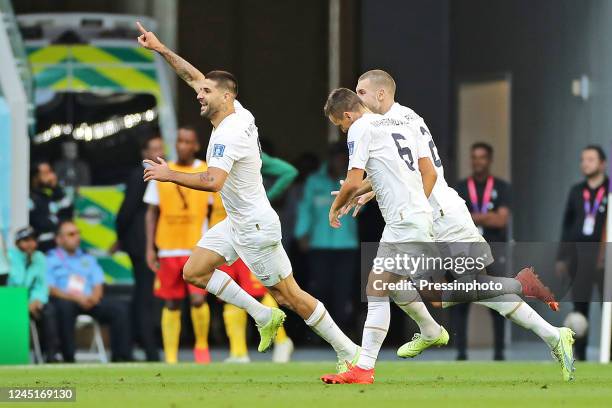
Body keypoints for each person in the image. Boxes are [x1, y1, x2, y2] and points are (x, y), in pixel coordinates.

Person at [136, 22, 359, 373]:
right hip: (238, 222)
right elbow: (194, 76)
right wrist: (161, 49)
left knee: (291, 296)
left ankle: (350, 351)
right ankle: (262, 315)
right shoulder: (237, 109)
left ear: (225, 96)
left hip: (255, 226)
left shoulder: (229, 134)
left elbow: (212, 182)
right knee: (193, 272)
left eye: (206, 91)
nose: (199, 93)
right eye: (201, 90)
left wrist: (168, 175)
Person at [321, 86, 574, 384]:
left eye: (363, 89)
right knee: (386, 285)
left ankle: (520, 289)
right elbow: (405, 171)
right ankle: (407, 344)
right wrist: (373, 193)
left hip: (443, 215)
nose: (360, 95)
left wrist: (403, 205)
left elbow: (415, 176)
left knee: (451, 292)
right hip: (420, 216)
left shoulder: (380, 123)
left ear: (380, 93)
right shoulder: (398, 121)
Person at [144, 126, 213, 364]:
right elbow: (151, 212)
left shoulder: (207, 170)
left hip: (198, 246)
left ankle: (201, 348)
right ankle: (171, 357)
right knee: (171, 301)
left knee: (198, 299)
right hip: (168, 247)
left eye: (188, 141)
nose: (182, 145)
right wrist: (149, 247)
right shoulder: (162, 170)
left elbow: (215, 209)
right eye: (179, 141)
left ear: (195, 145)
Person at [453, 142, 513, 360]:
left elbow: (502, 219)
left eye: (482, 157)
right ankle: (461, 353)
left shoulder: (502, 187)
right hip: (465, 251)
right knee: (461, 301)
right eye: (474, 157)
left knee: (497, 299)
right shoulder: (460, 188)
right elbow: (456, 220)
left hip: (493, 250)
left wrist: (473, 216)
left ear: (489, 160)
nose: (478, 161)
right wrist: (488, 217)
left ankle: (499, 353)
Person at [295, 142, 359, 333]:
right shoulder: (314, 181)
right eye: (337, 158)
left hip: (346, 245)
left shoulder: (352, 181)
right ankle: (320, 332)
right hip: (319, 244)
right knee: (320, 288)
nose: (341, 162)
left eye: (344, 159)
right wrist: (301, 234)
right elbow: (305, 208)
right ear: (330, 159)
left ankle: (343, 332)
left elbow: (360, 209)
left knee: (344, 291)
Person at [47, 220, 132, 362]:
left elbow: (98, 282)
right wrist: (77, 299)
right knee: (63, 308)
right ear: (59, 239)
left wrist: (94, 297)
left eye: (78, 233)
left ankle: (121, 356)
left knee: (120, 308)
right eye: (71, 234)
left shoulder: (87, 258)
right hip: (67, 300)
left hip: (90, 300)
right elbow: (51, 289)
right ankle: (68, 356)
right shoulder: (50, 259)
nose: (77, 237)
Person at [115, 134, 165, 362]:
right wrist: (123, 239)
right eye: (153, 148)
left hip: (151, 244)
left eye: (161, 148)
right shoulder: (140, 175)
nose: (159, 153)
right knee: (145, 298)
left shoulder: (160, 174)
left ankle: (130, 346)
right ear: (144, 153)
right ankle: (150, 352)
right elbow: (125, 213)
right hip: (142, 245)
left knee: (143, 296)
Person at [558, 145, 608, 361]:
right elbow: (567, 225)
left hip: (606, 257)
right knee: (580, 306)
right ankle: (580, 354)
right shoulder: (576, 191)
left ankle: (609, 353)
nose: (585, 163)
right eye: (583, 159)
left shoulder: (610, 190)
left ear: (603, 163)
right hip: (579, 258)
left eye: (590, 159)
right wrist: (561, 257)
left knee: (609, 307)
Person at [8, 226, 60, 362]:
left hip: (32, 302)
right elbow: (14, 282)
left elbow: (42, 285)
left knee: (48, 310)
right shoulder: (8, 256)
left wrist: (36, 300)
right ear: (17, 242)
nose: (30, 243)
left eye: (33, 240)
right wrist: (21, 303)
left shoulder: (40, 258)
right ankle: (12, 354)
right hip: (11, 301)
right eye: (26, 240)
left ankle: (50, 355)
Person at [29, 161, 74, 253]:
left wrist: (55, 187)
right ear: (35, 178)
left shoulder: (54, 194)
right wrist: (58, 225)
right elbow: (42, 224)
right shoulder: (31, 198)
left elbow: (68, 214)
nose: (51, 176)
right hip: (42, 249)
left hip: (60, 249)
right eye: (46, 173)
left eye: (51, 172)